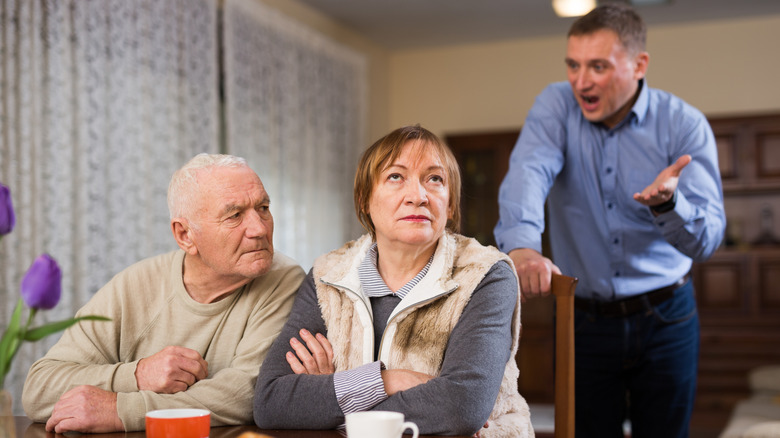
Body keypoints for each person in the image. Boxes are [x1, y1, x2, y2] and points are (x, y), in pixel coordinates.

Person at [494, 4, 726, 438]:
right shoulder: (555, 105)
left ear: (639, 65)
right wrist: (522, 245)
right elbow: (529, 172)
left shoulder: (684, 125)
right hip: (583, 320)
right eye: (573, 65)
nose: (581, 81)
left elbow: (709, 239)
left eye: (597, 67)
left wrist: (669, 205)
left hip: (667, 316)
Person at [253, 125, 532, 437]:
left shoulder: (486, 273)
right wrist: (387, 380)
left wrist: (326, 401)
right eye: (396, 177)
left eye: (435, 179)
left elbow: (461, 407)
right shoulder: (328, 274)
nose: (418, 196)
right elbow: (271, 401)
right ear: (364, 200)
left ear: (450, 205)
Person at [22, 153, 305, 433]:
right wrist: (137, 375)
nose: (258, 228)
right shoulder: (134, 285)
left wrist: (122, 411)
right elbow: (39, 389)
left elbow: (247, 394)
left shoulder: (285, 279)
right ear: (185, 235)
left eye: (264, 208)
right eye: (234, 215)